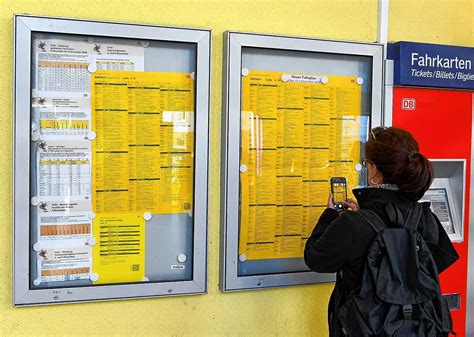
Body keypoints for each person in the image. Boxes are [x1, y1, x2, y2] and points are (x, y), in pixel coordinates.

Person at [304, 126, 459, 337]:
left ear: (376, 171)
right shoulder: (424, 216)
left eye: (367, 164)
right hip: (418, 330)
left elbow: (315, 258)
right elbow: (432, 265)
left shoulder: (354, 224)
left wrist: (330, 215)